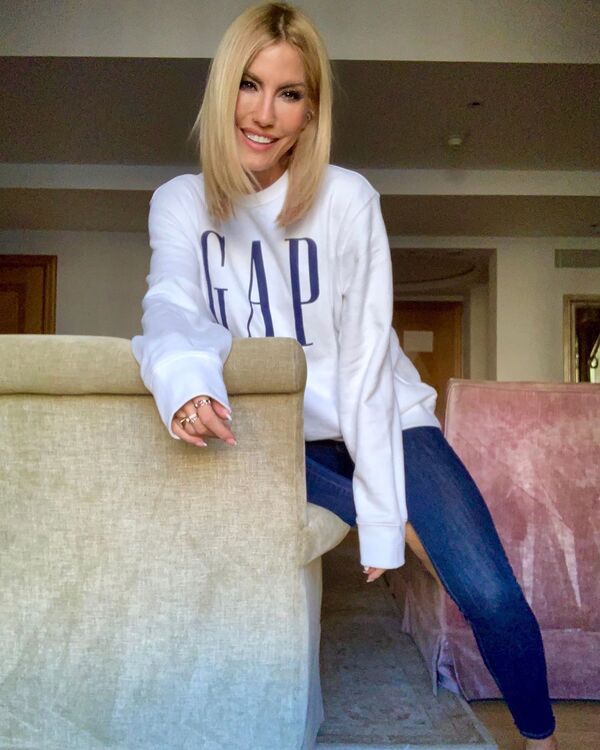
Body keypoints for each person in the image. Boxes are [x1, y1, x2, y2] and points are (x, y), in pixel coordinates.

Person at [131, 3, 558, 747]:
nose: (263, 114)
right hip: (279, 440)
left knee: (487, 590)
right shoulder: (179, 203)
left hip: (386, 417)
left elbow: (363, 360)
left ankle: (543, 737)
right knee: (222, 460)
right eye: (249, 85)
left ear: (311, 112)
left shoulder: (347, 198)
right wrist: (186, 381)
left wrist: (384, 516)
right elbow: (170, 303)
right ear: (222, 89)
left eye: (289, 94)